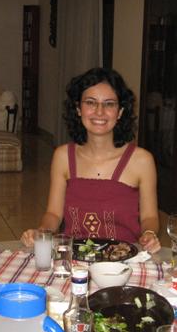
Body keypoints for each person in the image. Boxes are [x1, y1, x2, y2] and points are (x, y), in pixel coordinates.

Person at [21, 67, 161, 253]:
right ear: (78, 109)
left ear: (120, 112)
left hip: (124, 260)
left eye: (109, 104)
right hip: (74, 258)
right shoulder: (63, 157)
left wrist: (149, 234)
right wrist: (42, 232)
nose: (99, 112)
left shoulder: (142, 160)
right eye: (90, 102)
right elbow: (53, 213)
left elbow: (149, 217)